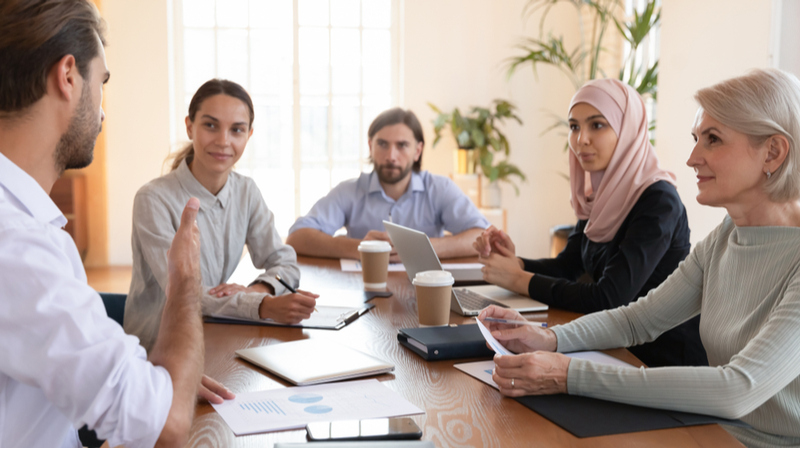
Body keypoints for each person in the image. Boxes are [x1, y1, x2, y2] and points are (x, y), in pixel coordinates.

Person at [480, 68, 800, 447]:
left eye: (713, 140)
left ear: (774, 152)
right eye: (696, 139)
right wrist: (548, 339)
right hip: (707, 427)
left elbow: (738, 389)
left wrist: (567, 374)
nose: (692, 158)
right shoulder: (729, 234)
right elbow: (639, 319)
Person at [0, 1, 231, 446]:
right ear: (68, 76)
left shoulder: (27, 230)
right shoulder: (18, 244)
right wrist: (185, 278)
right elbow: (167, 425)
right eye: (101, 82)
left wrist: (146, 377)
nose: (104, 111)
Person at [474, 79, 706, 367]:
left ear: (628, 130)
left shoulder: (659, 201)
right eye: (574, 126)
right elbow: (568, 266)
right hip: (610, 347)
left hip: (658, 361)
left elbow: (609, 297)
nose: (581, 139)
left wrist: (520, 280)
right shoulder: (601, 195)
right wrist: (513, 263)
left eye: (597, 125)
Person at [124, 79, 318, 352]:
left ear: (249, 135)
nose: (223, 141)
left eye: (236, 130)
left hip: (218, 331)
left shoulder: (246, 191)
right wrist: (263, 306)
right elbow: (182, 293)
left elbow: (284, 261)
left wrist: (259, 291)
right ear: (190, 126)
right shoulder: (153, 200)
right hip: (158, 348)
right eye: (210, 125)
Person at [286, 108, 489, 262]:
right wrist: (362, 248)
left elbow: (481, 234)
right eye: (382, 144)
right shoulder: (349, 191)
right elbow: (297, 237)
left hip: (424, 294)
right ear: (370, 146)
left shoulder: (440, 188)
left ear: (417, 151)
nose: (391, 156)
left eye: (402, 145)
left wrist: (419, 248)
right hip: (362, 293)